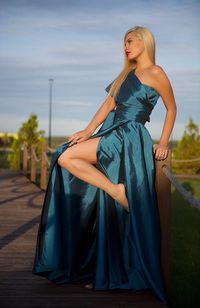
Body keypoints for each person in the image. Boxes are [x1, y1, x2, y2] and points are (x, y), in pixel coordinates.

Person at [32, 26, 177, 305]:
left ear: (144, 42)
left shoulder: (157, 73)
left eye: (130, 41)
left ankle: (115, 192)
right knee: (65, 154)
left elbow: (172, 107)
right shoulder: (125, 75)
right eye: (124, 42)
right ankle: (115, 192)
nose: (125, 47)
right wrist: (87, 130)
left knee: (66, 156)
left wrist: (164, 141)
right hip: (112, 131)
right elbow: (107, 104)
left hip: (130, 136)